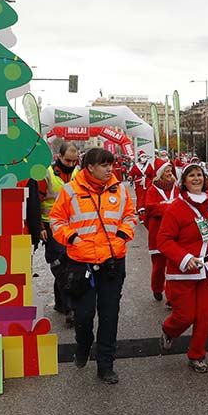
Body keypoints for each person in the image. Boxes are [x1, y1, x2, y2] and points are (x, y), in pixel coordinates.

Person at [49, 147, 137, 384]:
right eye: (104, 165)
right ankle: (83, 344)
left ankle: (106, 365)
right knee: (84, 315)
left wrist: (122, 235)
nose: (110, 169)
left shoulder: (120, 190)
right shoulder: (69, 191)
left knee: (110, 315)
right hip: (81, 263)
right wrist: (72, 239)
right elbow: (56, 221)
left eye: (111, 164)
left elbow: (130, 216)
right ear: (89, 167)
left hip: (113, 261)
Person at [157, 163, 208, 373]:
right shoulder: (176, 208)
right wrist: (185, 257)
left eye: (199, 175)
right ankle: (169, 331)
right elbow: (164, 240)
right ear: (184, 181)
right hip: (184, 271)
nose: (196, 179)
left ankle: (197, 355)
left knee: (206, 315)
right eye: (192, 176)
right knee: (185, 316)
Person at [40, 141, 81, 326]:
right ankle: (70, 308)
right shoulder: (47, 173)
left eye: (74, 161)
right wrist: (40, 227)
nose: (71, 164)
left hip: (73, 224)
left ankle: (60, 303)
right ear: (59, 157)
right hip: (51, 224)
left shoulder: (78, 171)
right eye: (68, 160)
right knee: (60, 266)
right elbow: (37, 200)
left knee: (69, 264)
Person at [144, 158, 178, 302]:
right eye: (167, 171)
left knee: (173, 267)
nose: (169, 173)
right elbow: (150, 208)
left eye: (170, 171)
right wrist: (169, 207)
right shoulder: (153, 189)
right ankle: (157, 288)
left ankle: (171, 297)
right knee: (158, 266)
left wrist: (166, 206)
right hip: (157, 233)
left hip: (174, 234)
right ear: (160, 173)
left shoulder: (176, 187)